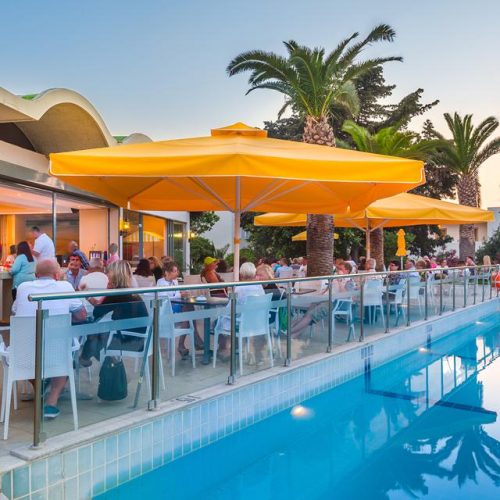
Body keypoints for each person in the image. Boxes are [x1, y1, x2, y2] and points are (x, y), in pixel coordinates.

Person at [12, 259, 86, 418]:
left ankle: (39, 388)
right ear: (57, 275)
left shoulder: (23, 287)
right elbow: (81, 315)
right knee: (64, 351)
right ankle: (51, 402)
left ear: (36, 275)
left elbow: (15, 311)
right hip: (57, 356)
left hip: (24, 356)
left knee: (36, 349)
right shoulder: (65, 287)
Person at [80, 261, 149, 366]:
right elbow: (101, 308)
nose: (106, 275)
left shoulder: (116, 293)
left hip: (130, 341)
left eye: (108, 272)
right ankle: (104, 360)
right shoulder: (130, 292)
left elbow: (97, 312)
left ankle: (95, 360)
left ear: (115, 274)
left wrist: (106, 291)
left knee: (95, 333)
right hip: (142, 339)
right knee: (98, 331)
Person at [289, 262, 353, 338]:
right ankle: (294, 334)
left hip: (333, 302)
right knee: (307, 314)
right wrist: (320, 295)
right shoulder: (335, 277)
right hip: (323, 298)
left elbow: (345, 295)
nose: (338, 270)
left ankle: (290, 332)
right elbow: (328, 288)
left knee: (311, 315)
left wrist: (340, 281)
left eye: (341, 269)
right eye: (338, 268)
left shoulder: (349, 281)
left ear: (347, 271)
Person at [218, 262, 264, 360]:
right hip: (257, 322)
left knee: (219, 321)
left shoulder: (240, 288)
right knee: (230, 319)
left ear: (241, 273)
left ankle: (226, 351)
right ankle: (235, 349)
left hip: (243, 323)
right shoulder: (259, 286)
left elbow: (231, 308)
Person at [157, 261, 203, 357]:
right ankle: (194, 341)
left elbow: (175, 294)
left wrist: (182, 294)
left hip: (175, 307)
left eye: (177, 271)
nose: (177, 273)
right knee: (188, 311)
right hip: (166, 310)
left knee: (189, 309)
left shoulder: (175, 281)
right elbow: (165, 297)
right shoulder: (160, 282)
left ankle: (186, 344)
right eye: (174, 271)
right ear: (166, 272)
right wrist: (180, 294)